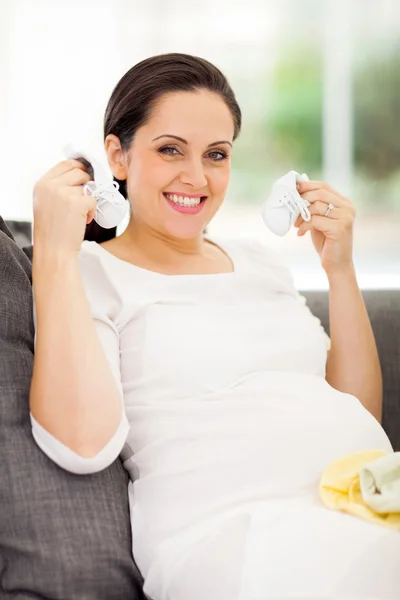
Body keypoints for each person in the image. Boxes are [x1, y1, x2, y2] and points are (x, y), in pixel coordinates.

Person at [29, 53, 399, 600]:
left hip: (363, 500)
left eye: (216, 154)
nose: (197, 178)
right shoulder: (91, 274)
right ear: (118, 155)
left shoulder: (259, 260)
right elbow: (82, 446)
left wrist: (339, 269)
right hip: (234, 532)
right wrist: (55, 256)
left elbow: (358, 413)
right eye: (170, 149)